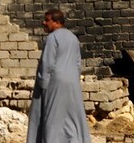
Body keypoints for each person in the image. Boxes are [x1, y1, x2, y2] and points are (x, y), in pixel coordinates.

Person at [27, 9, 91, 143]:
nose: (43, 23)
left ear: (56, 22)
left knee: (53, 116)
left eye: (47, 20)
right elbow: (78, 63)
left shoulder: (52, 38)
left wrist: (42, 85)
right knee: (72, 115)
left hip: (55, 82)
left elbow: (47, 62)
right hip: (72, 81)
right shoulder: (73, 37)